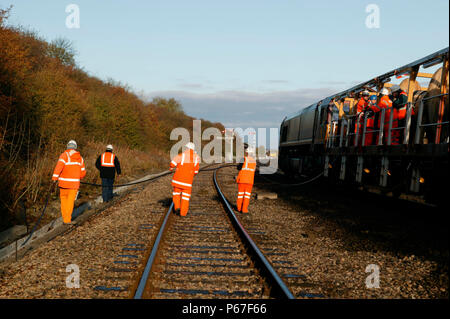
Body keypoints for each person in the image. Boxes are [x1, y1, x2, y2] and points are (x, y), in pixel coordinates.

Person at [52, 140, 86, 225]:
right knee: (70, 202)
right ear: (75, 147)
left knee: (63, 201)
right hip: (74, 184)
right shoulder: (80, 158)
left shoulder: (64, 155)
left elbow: (58, 167)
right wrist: (78, 177)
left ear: (67, 146)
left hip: (63, 184)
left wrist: (54, 178)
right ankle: (67, 220)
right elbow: (83, 172)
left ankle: (65, 219)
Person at [170, 142, 200, 217]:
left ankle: (177, 208)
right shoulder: (196, 157)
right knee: (185, 197)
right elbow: (196, 171)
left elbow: (172, 163)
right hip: (187, 183)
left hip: (177, 181)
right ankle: (183, 213)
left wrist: (171, 167)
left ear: (187, 148)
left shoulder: (181, 155)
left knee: (176, 194)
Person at [236, 144, 256, 213]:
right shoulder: (254, 161)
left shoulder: (244, 159)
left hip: (242, 180)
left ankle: (239, 208)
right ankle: (244, 209)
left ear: (247, 152)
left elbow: (238, 168)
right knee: (247, 196)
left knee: (240, 195)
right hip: (250, 181)